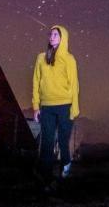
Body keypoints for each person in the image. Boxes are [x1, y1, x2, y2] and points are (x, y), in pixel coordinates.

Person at [32, 24, 80, 189]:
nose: (51, 37)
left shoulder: (69, 59)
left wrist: (74, 109)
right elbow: (36, 82)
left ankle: (66, 164)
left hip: (65, 106)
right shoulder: (41, 58)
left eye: (55, 34)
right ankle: (46, 178)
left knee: (62, 141)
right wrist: (36, 106)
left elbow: (74, 85)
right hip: (47, 107)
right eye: (50, 34)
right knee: (47, 142)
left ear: (63, 38)